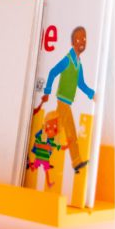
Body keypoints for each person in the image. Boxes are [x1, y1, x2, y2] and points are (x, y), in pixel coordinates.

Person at [39, 26, 95, 173]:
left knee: (60, 132)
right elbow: (52, 73)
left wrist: (92, 94)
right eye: (78, 38)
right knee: (65, 132)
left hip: (66, 103)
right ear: (72, 43)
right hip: (63, 102)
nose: (82, 41)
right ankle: (73, 162)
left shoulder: (79, 64)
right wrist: (47, 92)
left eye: (84, 38)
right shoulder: (67, 60)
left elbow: (81, 84)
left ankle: (45, 156)